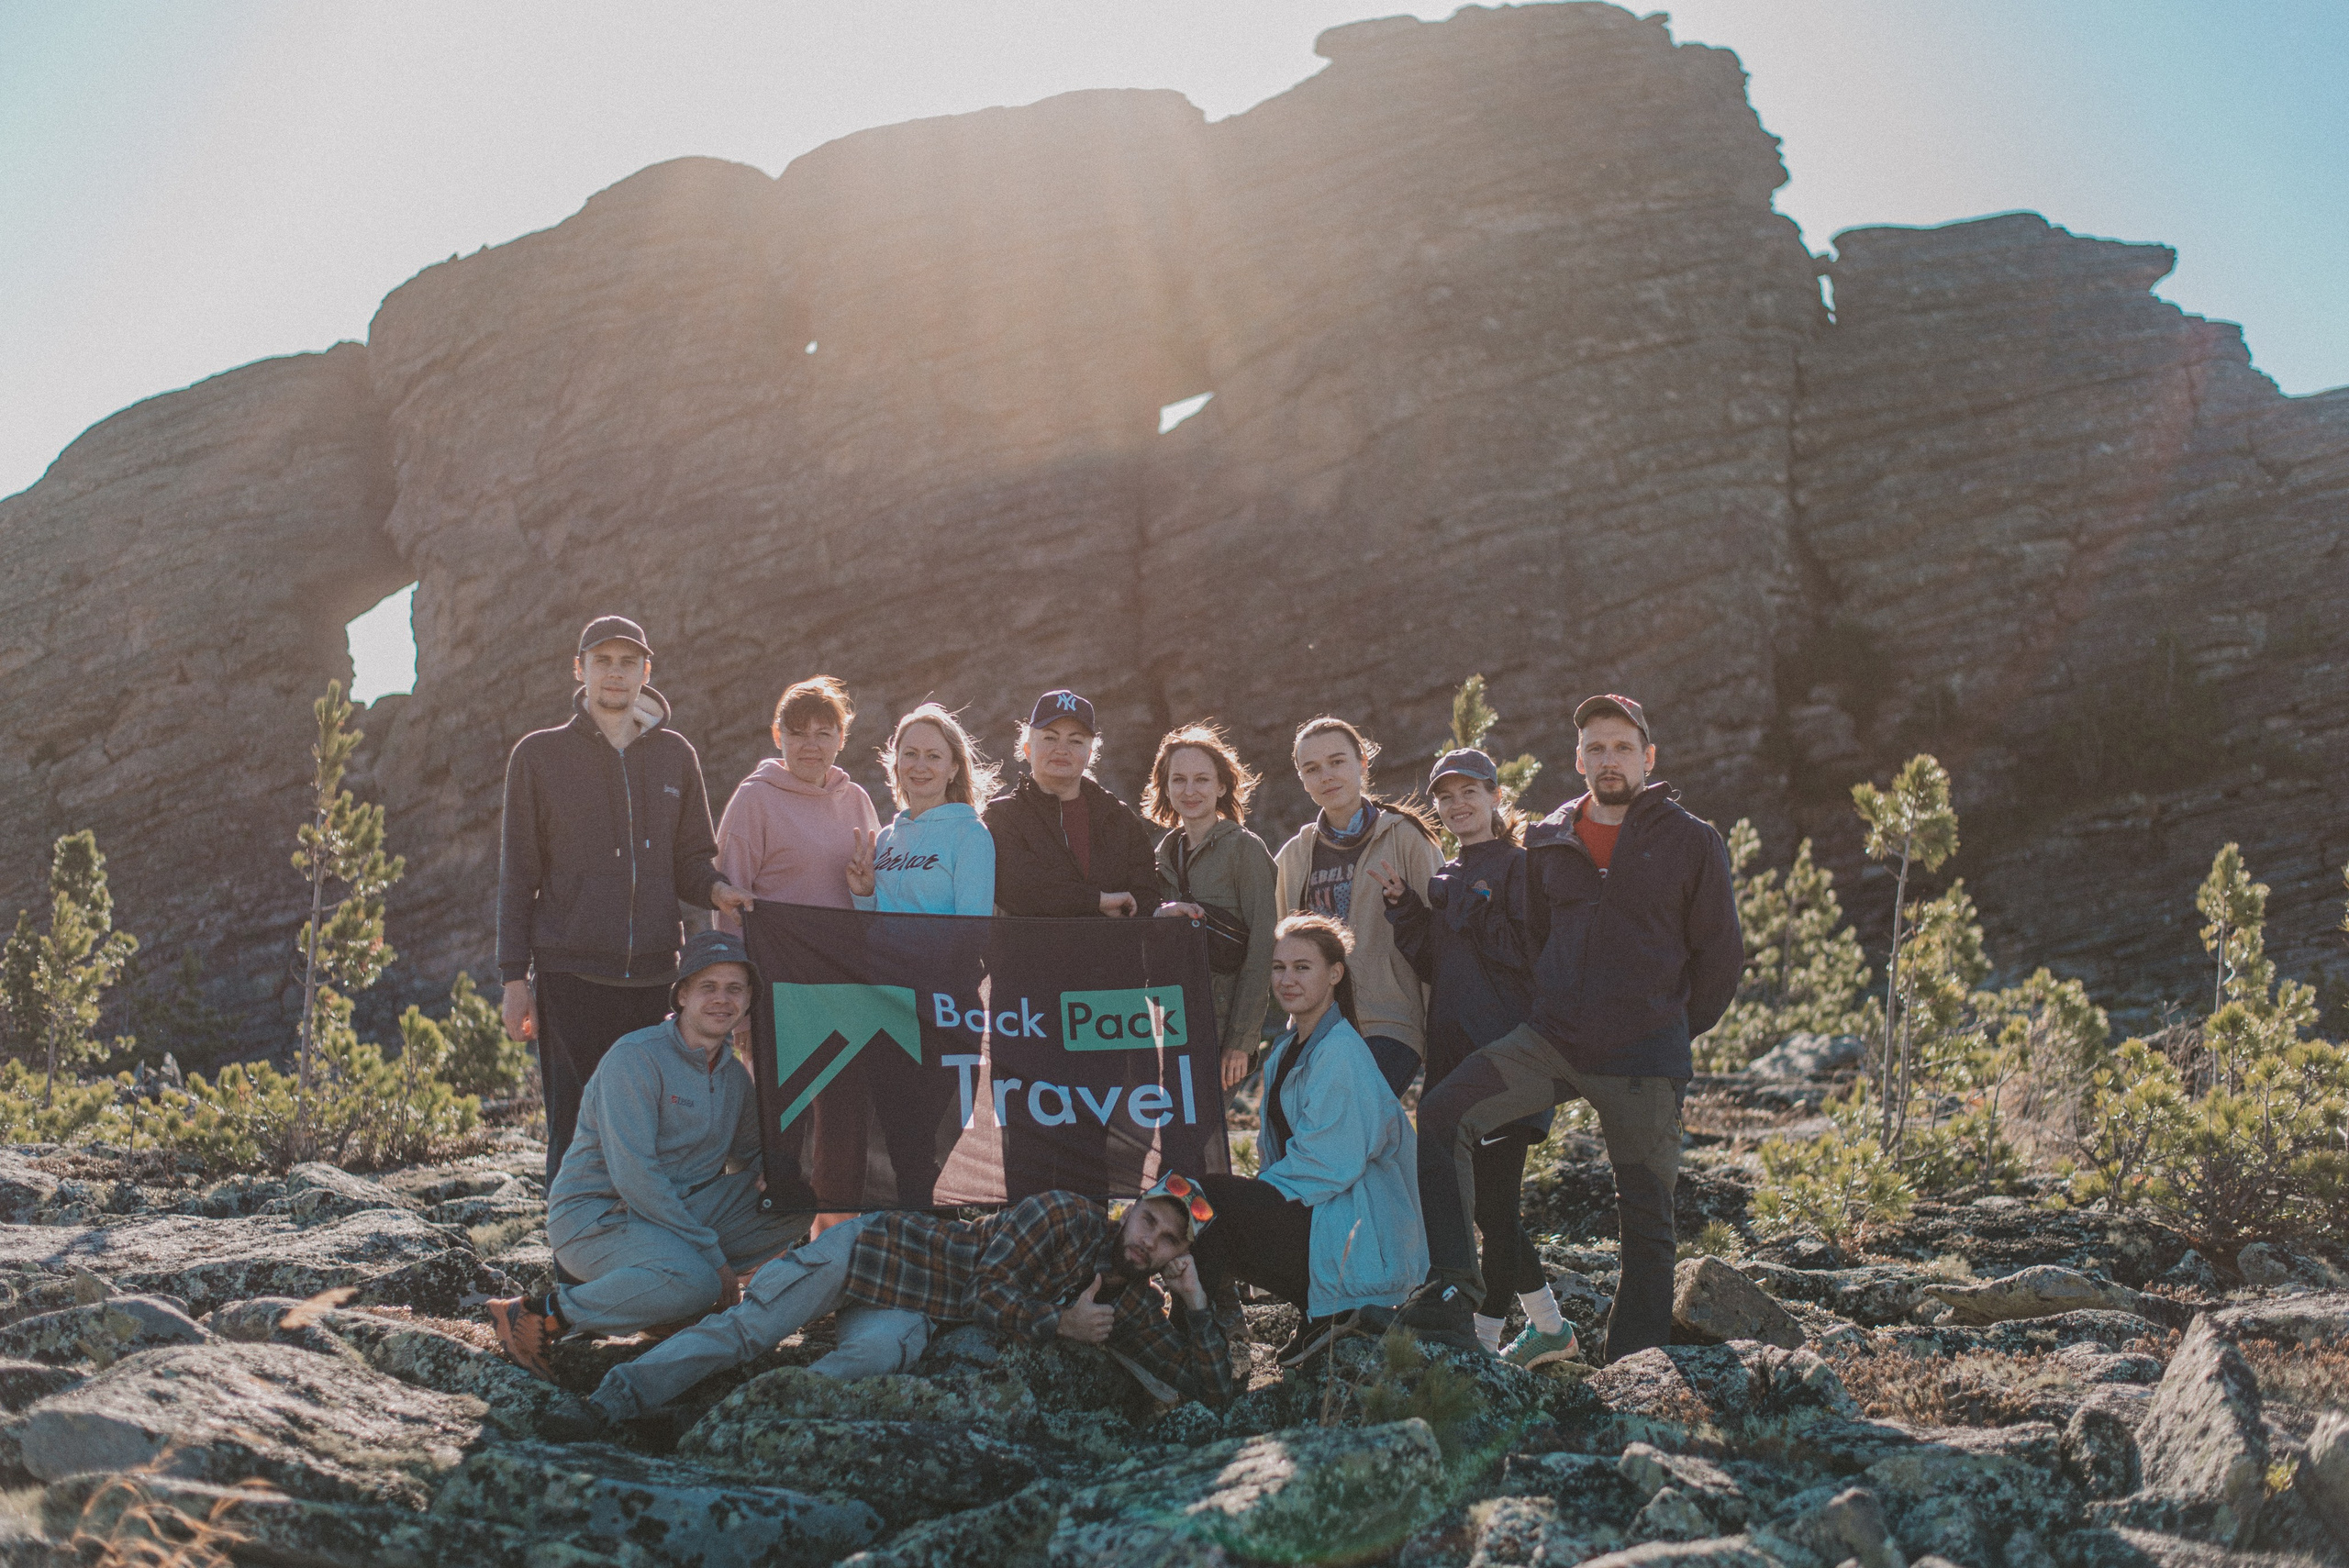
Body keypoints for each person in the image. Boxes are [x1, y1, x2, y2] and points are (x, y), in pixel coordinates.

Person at [1401, 695, 1742, 1363]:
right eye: (1594, 747)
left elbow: (1720, 958)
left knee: (1646, 1221)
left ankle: (1632, 1368)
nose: (1607, 759)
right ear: (1577, 758)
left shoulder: (1692, 840)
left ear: (1648, 757)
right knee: (1441, 1117)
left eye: (1621, 746)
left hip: (1644, 1058)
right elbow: (1531, 938)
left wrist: (1667, 1028)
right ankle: (1454, 1287)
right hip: (1551, 1044)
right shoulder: (1549, 838)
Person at [582, 1173, 1235, 1424]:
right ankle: (616, 1394)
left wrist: (1197, 1304)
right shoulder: (1065, 1213)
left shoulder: (1136, 1305)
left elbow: (1207, 1389)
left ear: (1179, 1254)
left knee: (866, 1363)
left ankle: (745, 1423)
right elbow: (988, 1289)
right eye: (1150, 1220)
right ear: (1133, 1208)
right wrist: (1060, 1321)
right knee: (751, 1332)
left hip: (910, 1308)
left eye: (1171, 1240)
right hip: (875, 1250)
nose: (1151, 1240)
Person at [497, 616, 753, 1189]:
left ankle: (645, 1260)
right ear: (580, 668)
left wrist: (717, 890)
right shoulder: (538, 756)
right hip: (571, 974)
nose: (616, 673)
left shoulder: (675, 756)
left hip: (656, 981)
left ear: (647, 671)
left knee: (654, 1130)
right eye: (603, 661)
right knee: (575, 1126)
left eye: (628, 662)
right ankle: (573, 1271)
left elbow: (689, 862)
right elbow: (518, 875)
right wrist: (514, 978)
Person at [486, 930, 804, 1375]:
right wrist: (714, 1262)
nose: (722, 1000)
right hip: (600, 1217)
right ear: (683, 994)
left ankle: (666, 1307)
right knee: (695, 1281)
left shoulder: (733, 1078)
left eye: (735, 989)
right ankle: (540, 1314)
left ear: (749, 1000)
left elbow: (755, 1155)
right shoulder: (635, 1059)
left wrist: (781, 1174)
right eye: (708, 987)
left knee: (797, 1202)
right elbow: (635, 1177)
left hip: (680, 1214)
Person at [1375, 749, 1575, 1367]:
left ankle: (1494, 1339)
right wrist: (1407, 910)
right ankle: (1546, 1328)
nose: (1458, 805)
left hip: (1506, 1059)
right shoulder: (1449, 879)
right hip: (1455, 1056)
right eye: (1446, 796)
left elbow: (1527, 955)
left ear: (1495, 796)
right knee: (1491, 1205)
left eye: (1470, 792)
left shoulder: (1519, 869)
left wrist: (1474, 908)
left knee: (1491, 1205)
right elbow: (1439, 963)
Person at [1188, 915, 1427, 1368]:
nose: (1287, 979)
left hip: (1356, 1238)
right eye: (1279, 968)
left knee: (1208, 1200)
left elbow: (1327, 1164)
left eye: (1302, 967)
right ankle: (1274, 1326)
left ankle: (1205, 1350)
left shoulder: (1341, 1052)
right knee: (1201, 1207)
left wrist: (1248, 1198)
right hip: (1318, 1224)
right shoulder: (1287, 1049)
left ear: (1334, 974)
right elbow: (1278, 1156)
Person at [1272, 717, 1442, 1096]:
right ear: (1301, 778)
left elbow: (1441, 941)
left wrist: (1441, 1038)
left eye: (1337, 762)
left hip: (1388, 1024)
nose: (1326, 776)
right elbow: (1282, 950)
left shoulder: (1406, 839)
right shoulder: (1294, 857)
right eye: (1311, 769)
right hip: (1312, 1027)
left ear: (1362, 762)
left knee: (1346, 1122)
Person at [1143, 723, 1279, 1094]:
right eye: (1179, 780)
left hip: (1223, 1035)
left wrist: (1241, 1041)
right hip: (1169, 1027)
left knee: (1207, 1144)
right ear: (1166, 787)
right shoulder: (1161, 857)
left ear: (1221, 786)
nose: (1190, 791)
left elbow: (1263, 949)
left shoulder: (1245, 850)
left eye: (1202, 779)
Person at [713, 674, 879, 927]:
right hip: (780, 961)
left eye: (823, 734)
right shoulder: (754, 799)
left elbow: (882, 892)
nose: (810, 745)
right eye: (798, 734)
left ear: (841, 737)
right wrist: (735, 964)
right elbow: (730, 904)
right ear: (778, 736)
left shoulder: (857, 799)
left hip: (850, 959)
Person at [987, 689, 1162, 920]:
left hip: (1111, 954)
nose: (1062, 749)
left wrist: (1162, 911)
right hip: (1031, 955)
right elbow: (1018, 888)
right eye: (1050, 737)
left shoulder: (1119, 818)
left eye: (1075, 740)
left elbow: (1145, 897)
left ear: (1089, 755)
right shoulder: (1001, 817)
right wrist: (1096, 901)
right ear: (1027, 749)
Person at [846, 704, 998, 915]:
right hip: (880, 950)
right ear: (897, 763)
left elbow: (973, 932)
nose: (919, 766)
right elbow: (874, 924)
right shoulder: (885, 839)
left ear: (953, 768)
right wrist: (864, 895)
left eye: (933, 756)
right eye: (910, 754)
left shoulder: (970, 835)